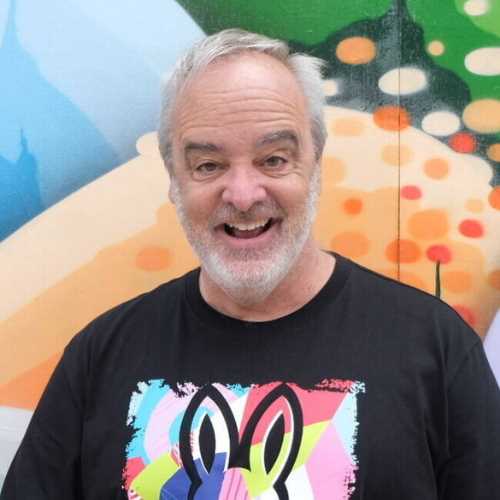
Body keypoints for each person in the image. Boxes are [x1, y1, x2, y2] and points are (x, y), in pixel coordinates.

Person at [2, 29, 500, 500]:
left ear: (316, 164)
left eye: (274, 159)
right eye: (208, 165)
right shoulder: (101, 357)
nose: (242, 195)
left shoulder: (434, 348)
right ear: (174, 179)